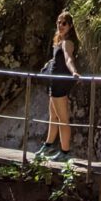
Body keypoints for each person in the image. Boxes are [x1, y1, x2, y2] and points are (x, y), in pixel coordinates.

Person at [39, 10, 81, 161]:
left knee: (62, 118)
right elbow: (58, 60)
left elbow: (69, 59)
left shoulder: (67, 43)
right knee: (53, 116)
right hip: (54, 81)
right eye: (58, 22)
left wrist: (75, 72)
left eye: (64, 23)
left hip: (60, 83)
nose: (60, 25)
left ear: (70, 26)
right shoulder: (58, 41)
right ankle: (49, 145)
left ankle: (65, 151)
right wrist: (49, 63)